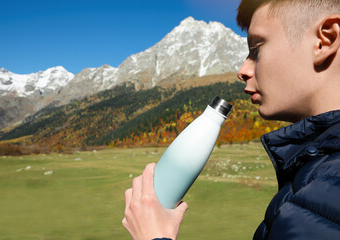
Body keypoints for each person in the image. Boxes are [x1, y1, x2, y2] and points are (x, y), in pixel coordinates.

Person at [122, 0, 340, 239]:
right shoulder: (318, 179)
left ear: (324, 40)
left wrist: (154, 235)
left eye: (256, 50)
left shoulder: (324, 191)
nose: (242, 70)